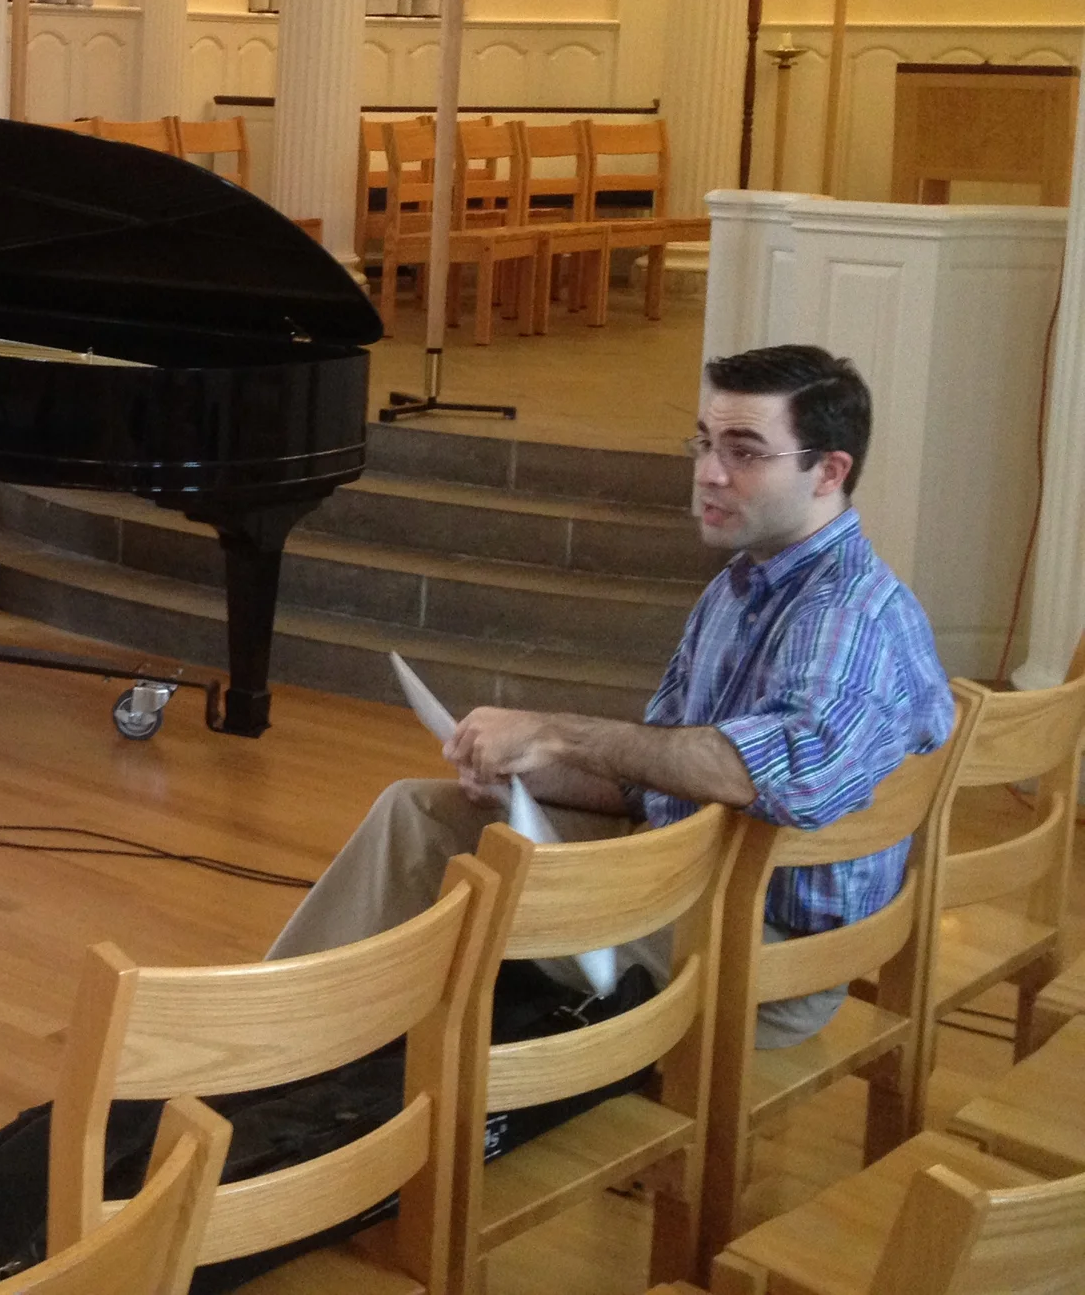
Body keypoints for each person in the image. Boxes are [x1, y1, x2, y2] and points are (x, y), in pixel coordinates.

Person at [266, 344, 955, 1047]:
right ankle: (283, 1037)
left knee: (469, 906)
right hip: (686, 876)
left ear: (828, 471)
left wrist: (556, 734)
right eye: (705, 443)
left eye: (744, 452)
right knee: (417, 816)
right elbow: (651, 775)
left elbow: (768, 773)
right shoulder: (739, 585)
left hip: (764, 954)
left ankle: (313, 1063)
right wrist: (532, 772)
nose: (709, 473)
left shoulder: (847, 614)